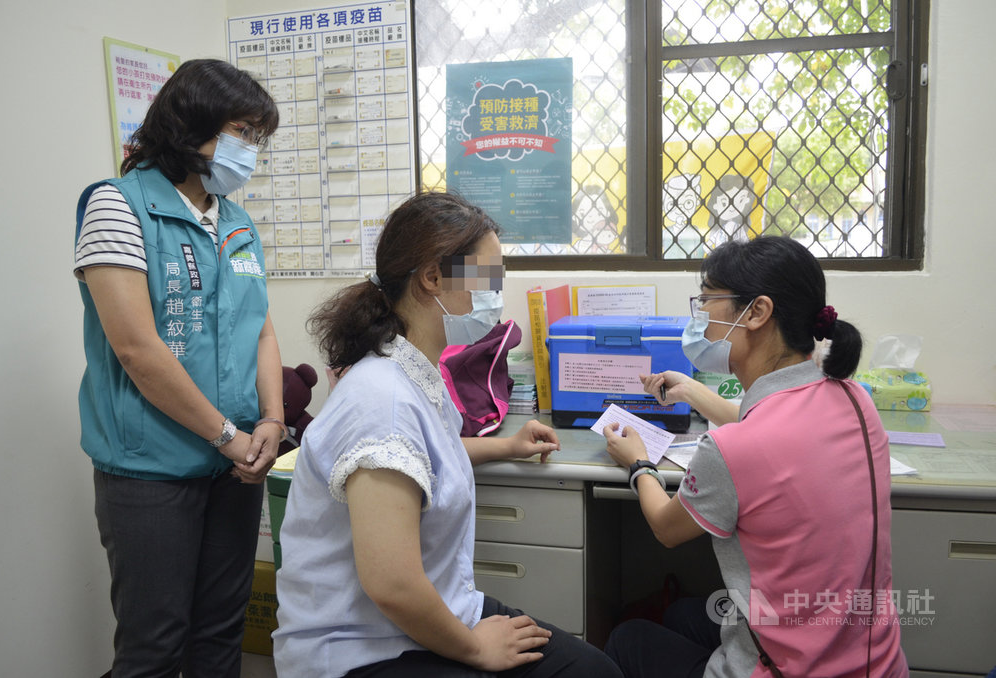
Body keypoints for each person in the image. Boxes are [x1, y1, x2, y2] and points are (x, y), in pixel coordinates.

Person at [273, 192, 623, 678]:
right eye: (487, 278)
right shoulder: (382, 400)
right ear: (433, 277)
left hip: (426, 613)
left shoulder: (412, 370)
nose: (495, 293)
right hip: (363, 647)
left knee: (592, 670)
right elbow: (391, 583)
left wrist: (508, 445)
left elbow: (424, 454)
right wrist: (476, 650)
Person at [601, 236, 908, 677]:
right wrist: (691, 391)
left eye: (707, 300)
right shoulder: (857, 401)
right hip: (873, 661)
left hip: (785, 669)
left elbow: (666, 528)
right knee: (685, 613)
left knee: (629, 636)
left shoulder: (732, 449)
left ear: (758, 312)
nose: (701, 316)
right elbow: (770, 426)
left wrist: (638, 463)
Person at [74, 59, 285, 677]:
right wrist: (229, 436)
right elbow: (138, 351)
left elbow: (262, 329)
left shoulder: (237, 222)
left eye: (256, 136)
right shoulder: (116, 206)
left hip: (237, 464)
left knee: (221, 634)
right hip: (152, 471)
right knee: (155, 646)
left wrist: (272, 419)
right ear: (191, 124)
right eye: (240, 129)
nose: (249, 148)